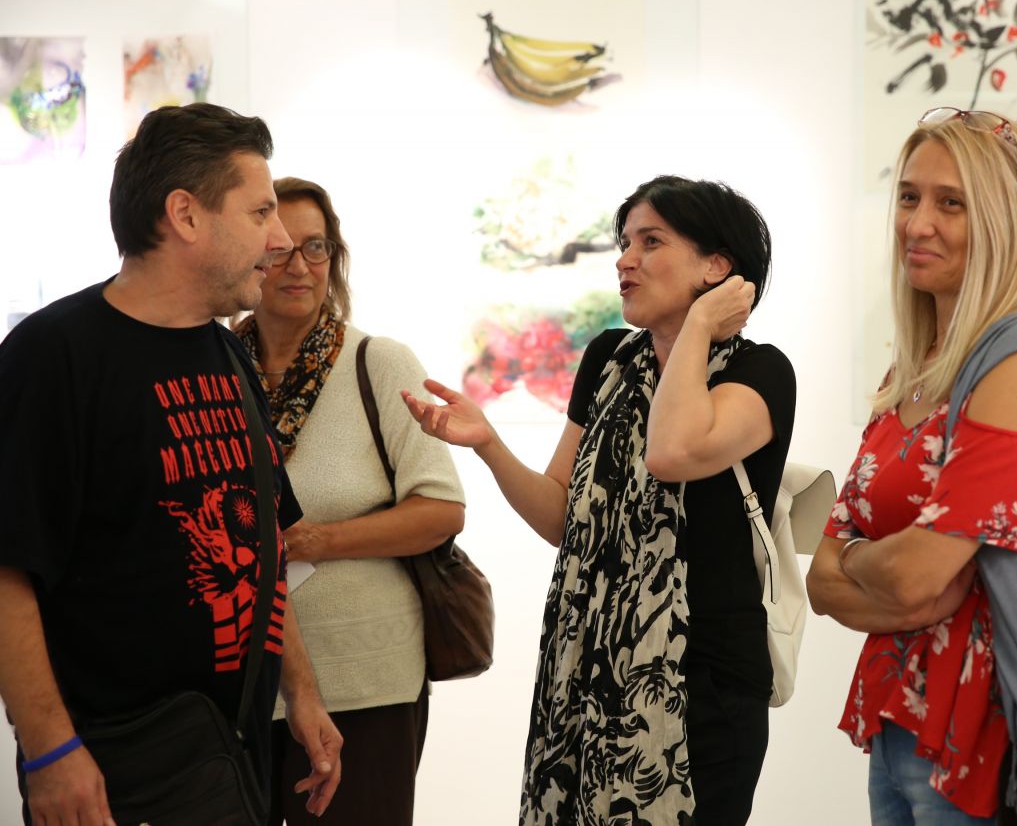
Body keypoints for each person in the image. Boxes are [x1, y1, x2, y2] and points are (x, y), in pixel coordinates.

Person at [403, 175, 795, 825]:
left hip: (700, 689)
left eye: (651, 241)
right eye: (624, 243)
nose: (625, 259)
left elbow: (672, 450)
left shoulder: (761, 372)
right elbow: (562, 517)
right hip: (585, 672)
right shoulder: (609, 359)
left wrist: (699, 324)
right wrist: (489, 444)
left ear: (716, 266)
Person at [0, 103, 343, 825]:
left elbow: (264, 543)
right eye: (260, 212)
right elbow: (7, 568)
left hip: (230, 756)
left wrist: (302, 692)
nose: (281, 240)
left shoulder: (228, 355)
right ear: (185, 215)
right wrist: (49, 749)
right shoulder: (54, 356)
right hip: (118, 767)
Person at [807, 106, 1017, 824]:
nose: (917, 223)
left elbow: (914, 578)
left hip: (984, 742)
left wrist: (863, 563)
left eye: (951, 203)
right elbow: (822, 577)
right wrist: (864, 565)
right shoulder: (914, 371)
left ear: (1006, 222)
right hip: (897, 723)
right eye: (909, 196)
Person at [231, 176, 465, 825]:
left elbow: (442, 510)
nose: (299, 266)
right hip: (241, 683)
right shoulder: (216, 369)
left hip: (366, 683)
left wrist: (316, 540)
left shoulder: (378, 362)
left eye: (316, 247)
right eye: (280, 249)